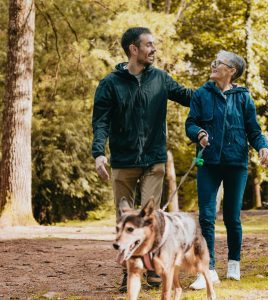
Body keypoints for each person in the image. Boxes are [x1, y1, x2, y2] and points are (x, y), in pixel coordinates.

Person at [91, 27, 192, 292]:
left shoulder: (160, 78)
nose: (154, 49)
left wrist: (220, 89)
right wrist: (99, 152)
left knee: (152, 217)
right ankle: (130, 269)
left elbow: (189, 97)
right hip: (123, 161)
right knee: (126, 221)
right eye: (149, 45)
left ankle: (153, 269)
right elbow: (100, 122)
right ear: (133, 49)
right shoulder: (110, 84)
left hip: (154, 159)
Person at [185, 50, 268, 289]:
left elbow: (253, 130)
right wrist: (199, 134)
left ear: (231, 71)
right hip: (209, 163)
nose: (213, 65)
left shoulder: (243, 97)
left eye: (218, 63)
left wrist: (263, 147)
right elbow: (191, 123)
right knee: (206, 216)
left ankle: (234, 262)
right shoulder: (202, 94)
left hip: (236, 163)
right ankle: (208, 269)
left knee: (233, 217)